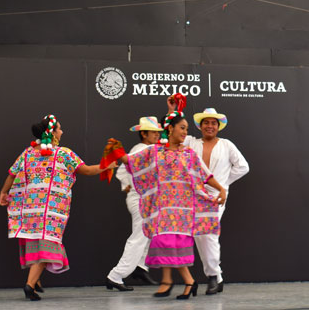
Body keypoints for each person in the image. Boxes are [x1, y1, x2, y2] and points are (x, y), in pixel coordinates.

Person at [0, 114, 117, 301]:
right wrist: (106, 166)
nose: (62, 131)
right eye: (59, 128)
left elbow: (12, 174)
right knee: (47, 247)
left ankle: (35, 282)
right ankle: (29, 286)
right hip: (51, 211)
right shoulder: (63, 154)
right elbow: (85, 170)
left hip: (30, 210)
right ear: (52, 133)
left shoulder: (28, 153)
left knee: (35, 243)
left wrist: (4, 193)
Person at [110, 112, 227, 300]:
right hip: (163, 209)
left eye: (187, 129)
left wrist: (220, 189)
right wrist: (117, 151)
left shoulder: (189, 154)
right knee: (165, 243)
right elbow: (132, 162)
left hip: (183, 210)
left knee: (175, 244)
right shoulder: (154, 151)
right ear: (170, 129)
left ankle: (176, 282)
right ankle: (179, 281)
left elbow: (204, 175)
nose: (185, 132)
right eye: (182, 128)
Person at [167, 96, 250, 295]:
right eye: (206, 123)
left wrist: (222, 184)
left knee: (208, 234)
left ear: (218, 126)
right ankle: (216, 277)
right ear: (200, 125)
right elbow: (169, 132)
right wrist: (173, 111)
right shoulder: (190, 142)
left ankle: (213, 276)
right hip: (192, 196)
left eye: (213, 123)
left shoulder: (227, 145)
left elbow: (243, 167)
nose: (210, 126)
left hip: (216, 198)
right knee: (198, 236)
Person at [106, 116, 164, 291]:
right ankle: (115, 275)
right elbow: (123, 166)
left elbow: (124, 170)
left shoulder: (151, 149)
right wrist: (128, 186)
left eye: (157, 132)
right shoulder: (140, 149)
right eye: (153, 132)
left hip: (148, 199)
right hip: (141, 200)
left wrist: (127, 184)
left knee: (149, 234)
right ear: (144, 134)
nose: (156, 135)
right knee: (139, 237)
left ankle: (140, 267)